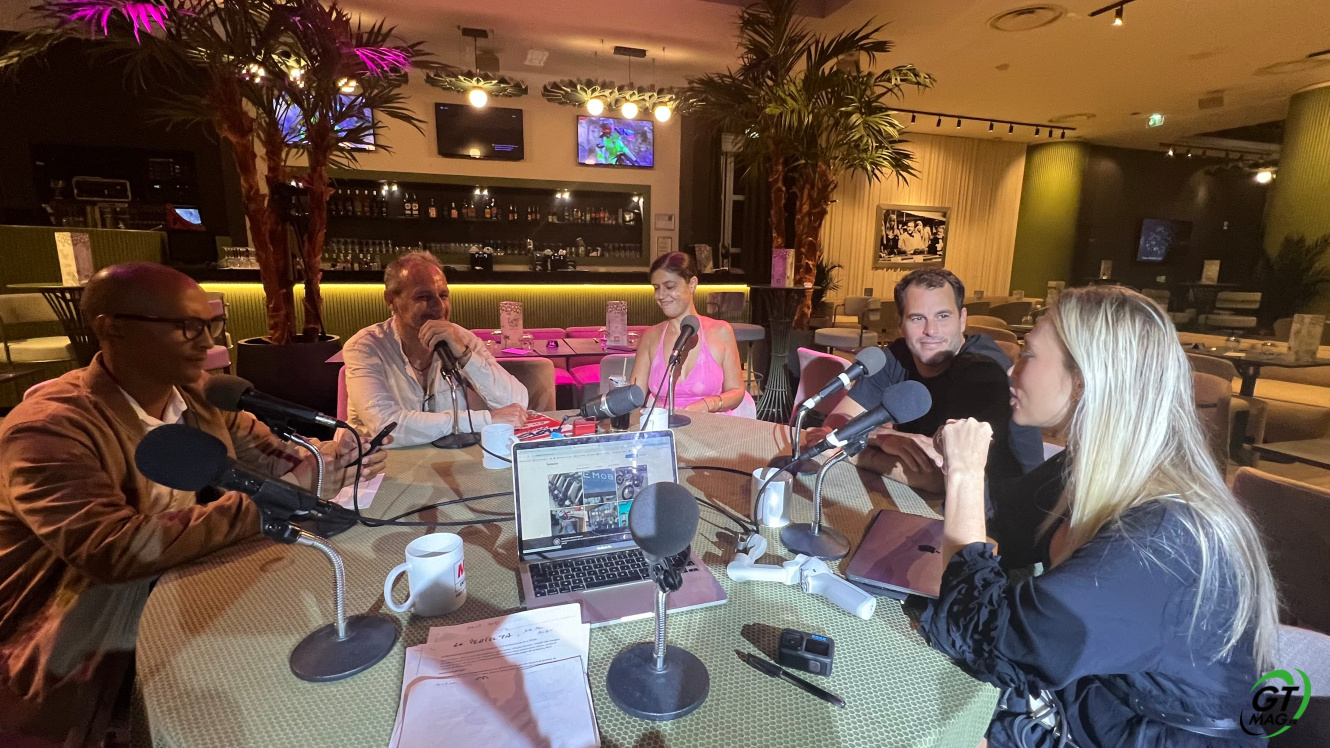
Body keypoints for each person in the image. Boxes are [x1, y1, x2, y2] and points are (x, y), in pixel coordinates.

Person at [0, 263, 387, 746]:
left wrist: (334, 456)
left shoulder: (200, 397)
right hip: (75, 652)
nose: (207, 343)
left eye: (211, 325)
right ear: (112, 328)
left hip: (181, 591)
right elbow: (112, 549)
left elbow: (277, 459)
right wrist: (268, 504)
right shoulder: (47, 430)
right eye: (186, 326)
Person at [915, 285, 1279, 746]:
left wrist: (966, 473)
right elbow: (1004, 521)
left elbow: (987, 638)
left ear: (1084, 381)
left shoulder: (1164, 537)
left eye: (1029, 354)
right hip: (1092, 704)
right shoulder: (1092, 467)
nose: (1012, 369)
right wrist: (937, 474)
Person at [806, 268, 1043, 493]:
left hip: (1004, 510)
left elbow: (940, 476)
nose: (931, 330)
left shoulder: (983, 372)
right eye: (917, 318)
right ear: (900, 324)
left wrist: (857, 452)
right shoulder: (896, 357)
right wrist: (881, 437)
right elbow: (836, 422)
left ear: (962, 319)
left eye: (943, 316)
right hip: (932, 499)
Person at [343, 251, 529, 448]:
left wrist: (464, 354)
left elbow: (516, 403)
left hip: (451, 460)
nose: (439, 306)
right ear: (391, 300)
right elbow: (386, 427)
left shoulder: (462, 339)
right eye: (424, 297)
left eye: (443, 295)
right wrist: (485, 420)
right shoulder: (364, 347)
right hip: (379, 461)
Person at [630, 252, 755, 417]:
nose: (660, 296)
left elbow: (737, 391)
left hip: (711, 426)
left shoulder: (721, 331)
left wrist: (707, 404)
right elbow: (633, 396)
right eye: (656, 288)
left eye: (669, 287)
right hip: (664, 427)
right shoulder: (650, 336)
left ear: (692, 284)